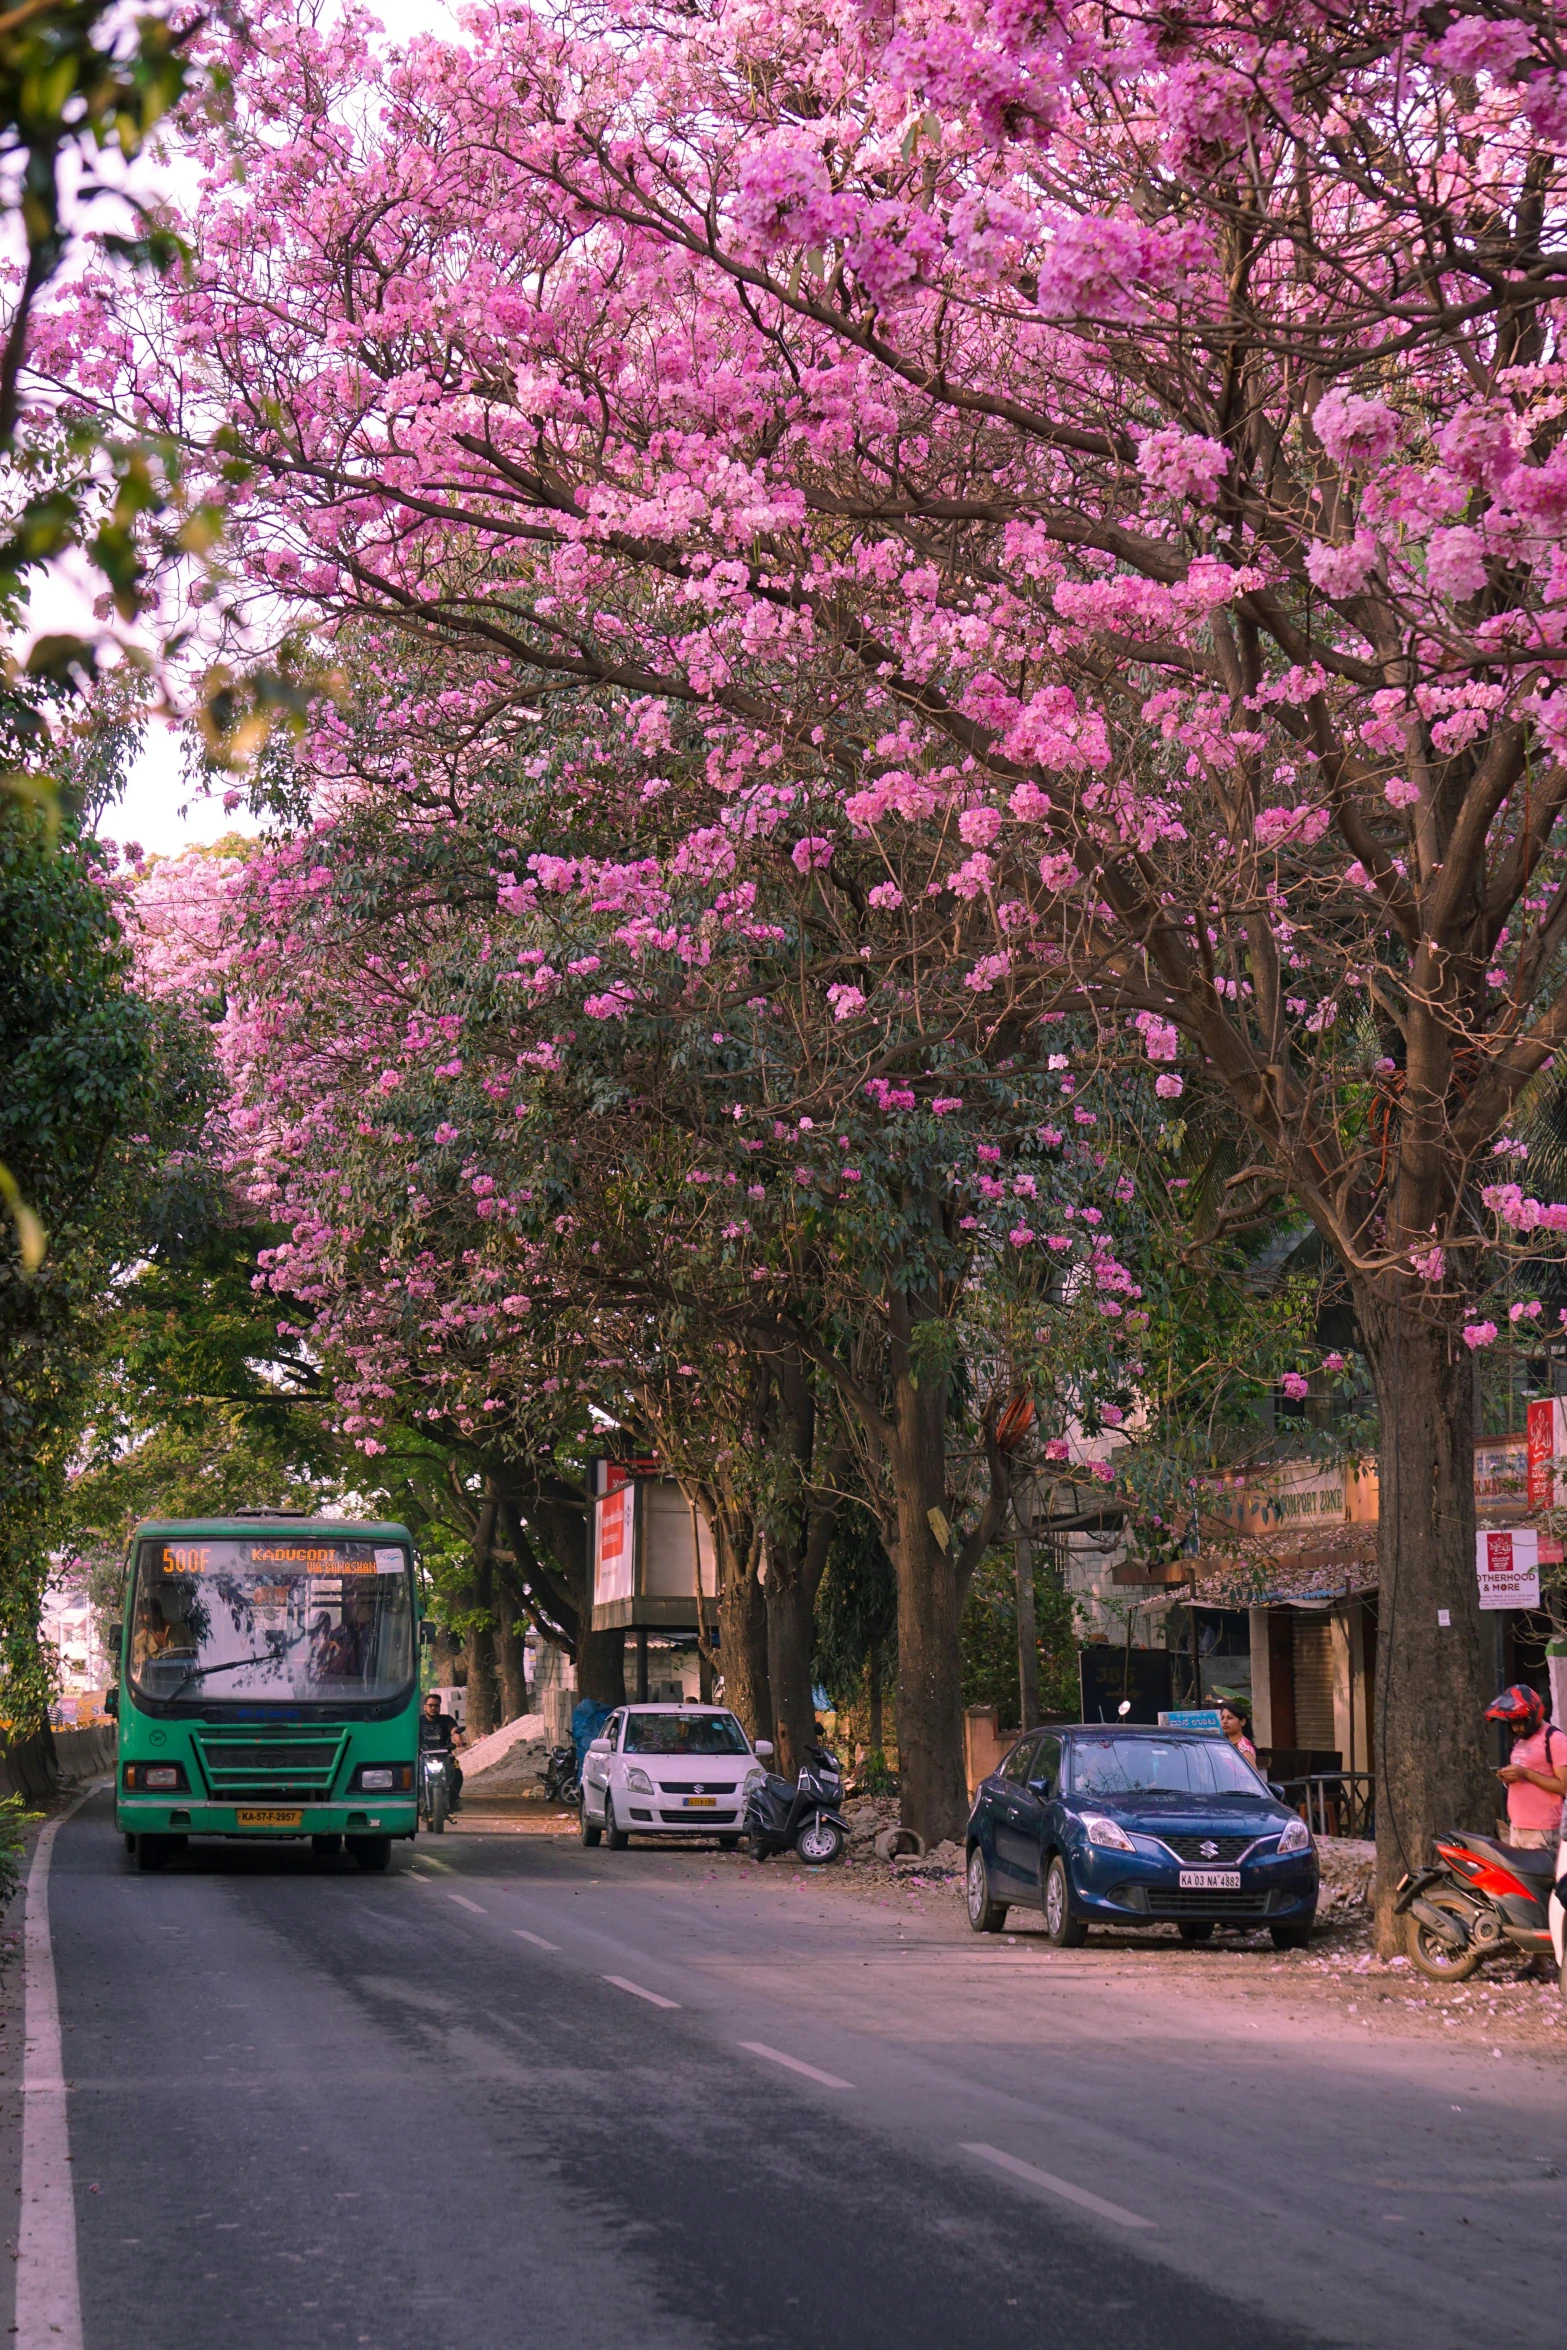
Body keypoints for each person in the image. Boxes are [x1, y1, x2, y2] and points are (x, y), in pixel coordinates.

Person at [1487, 1684, 1567, 1848]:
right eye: (1511, 1723)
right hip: (1517, 1827)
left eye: (1519, 1722)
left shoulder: (1554, 1738)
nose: (1515, 1728)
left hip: (1543, 1830)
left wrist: (1525, 1773)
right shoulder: (1520, 1741)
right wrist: (1508, 1778)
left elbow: (1564, 1786)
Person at [420, 1692, 464, 1807]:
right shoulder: (418, 1721)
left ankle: (453, 1799)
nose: (433, 1708)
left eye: (436, 1705)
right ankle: (417, 1799)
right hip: (423, 1755)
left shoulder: (446, 1719)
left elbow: (453, 1728)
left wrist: (457, 1735)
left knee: (457, 1771)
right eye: (431, 1705)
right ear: (425, 1707)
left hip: (444, 1755)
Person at [1216, 1698, 1257, 1764]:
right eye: (1222, 1718)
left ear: (1242, 1722)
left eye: (1230, 1718)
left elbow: (1250, 1774)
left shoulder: (1244, 1748)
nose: (1224, 1721)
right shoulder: (1224, 1745)